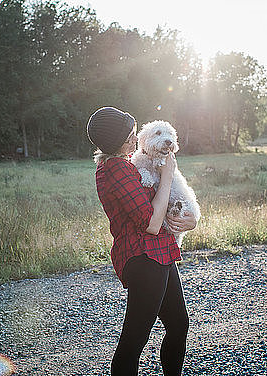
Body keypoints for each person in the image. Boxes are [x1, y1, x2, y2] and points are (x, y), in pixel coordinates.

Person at [87, 106, 197, 375]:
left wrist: (191, 219)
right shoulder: (116, 170)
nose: (135, 139)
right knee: (133, 342)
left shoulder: (125, 165)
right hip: (144, 257)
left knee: (178, 324)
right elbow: (151, 223)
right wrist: (169, 174)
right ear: (117, 140)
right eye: (130, 135)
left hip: (159, 253)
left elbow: (166, 203)